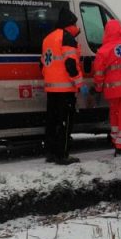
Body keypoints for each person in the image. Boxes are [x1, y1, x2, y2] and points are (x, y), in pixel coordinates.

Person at [41, 9, 85, 165]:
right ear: (69, 24)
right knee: (64, 123)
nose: (76, 27)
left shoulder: (48, 38)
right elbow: (70, 64)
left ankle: (51, 152)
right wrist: (79, 83)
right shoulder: (67, 38)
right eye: (74, 24)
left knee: (52, 122)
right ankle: (62, 155)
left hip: (51, 89)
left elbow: (42, 64)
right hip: (65, 90)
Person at [92, 19, 121, 156]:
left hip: (112, 90)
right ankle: (120, 146)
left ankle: (115, 140)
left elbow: (98, 73)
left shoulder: (103, 50)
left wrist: (98, 89)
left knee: (114, 115)